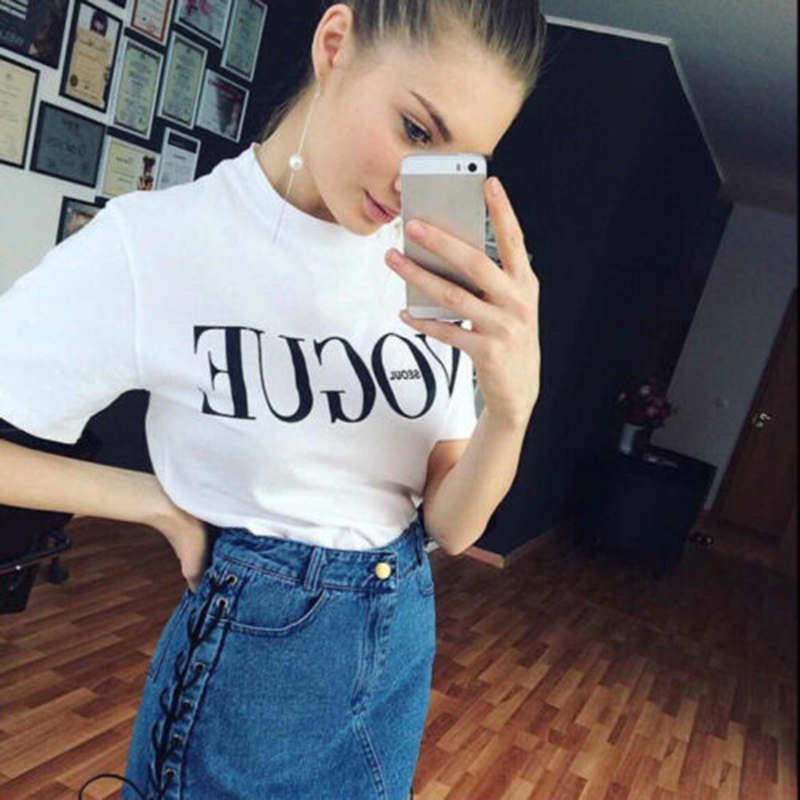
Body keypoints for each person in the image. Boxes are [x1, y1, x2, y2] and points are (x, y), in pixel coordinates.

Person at [0, 1, 546, 798]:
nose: (415, 188)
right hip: (249, 671)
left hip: (396, 653)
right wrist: (151, 501)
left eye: (456, 162)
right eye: (415, 130)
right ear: (335, 45)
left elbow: (453, 527)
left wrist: (512, 409)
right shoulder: (157, 243)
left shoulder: (429, 273)